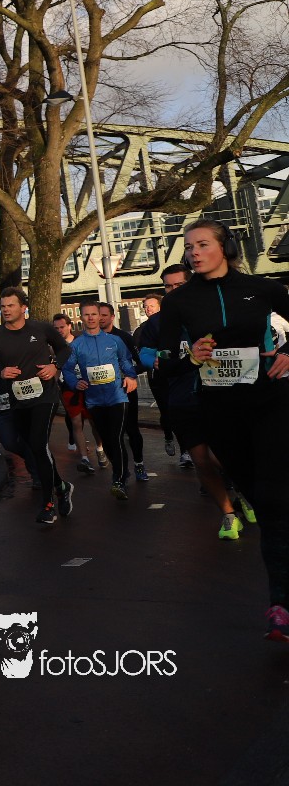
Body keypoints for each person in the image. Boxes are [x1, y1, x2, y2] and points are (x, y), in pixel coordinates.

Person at [157, 220, 289, 640]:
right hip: (219, 413)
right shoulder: (179, 302)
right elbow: (161, 359)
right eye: (188, 247)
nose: (194, 252)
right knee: (262, 501)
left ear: (225, 247)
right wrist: (190, 356)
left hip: (269, 404)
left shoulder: (261, 288)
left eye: (202, 244)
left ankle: (280, 604)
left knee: (273, 500)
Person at [139, 263, 251, 539]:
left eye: (179, 285)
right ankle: (228, 514)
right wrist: (153, 360)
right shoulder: (157, 323)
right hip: (181, 399)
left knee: (221, 454)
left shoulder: (210, 311)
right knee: (201, 461)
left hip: (217, 395)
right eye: (168, 286)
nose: (173, 290)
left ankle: (247, 493)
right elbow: (144, 352)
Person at [0, 289, 74, 525]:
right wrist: (0, 371)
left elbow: (65, 349)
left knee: (39, 444)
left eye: (11, 305)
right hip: (16, 400)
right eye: (3, 306)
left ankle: (48, 505)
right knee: (33, 447)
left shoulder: (41, 329)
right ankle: (61, 486)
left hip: (44, 396)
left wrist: (54, 366)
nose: (6, 310)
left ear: (23, 308)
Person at [63, 301, 139, 499]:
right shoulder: (76, 345)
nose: (91, 318)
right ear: (81, 317)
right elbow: (67, 369)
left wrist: (130, 376)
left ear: (99, 316)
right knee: (107, 439)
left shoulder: (114, 340)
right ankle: (122, 472)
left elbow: (125, 361)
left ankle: (118, 480)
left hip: (117, 396)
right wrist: (75, 383)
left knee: (116, 437)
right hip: (94, 400)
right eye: (86, 314)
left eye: (94, 314)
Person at [98, 302, 148, 481]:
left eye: (104, 315)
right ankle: (120, 470)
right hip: (101, 393)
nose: (100, 318)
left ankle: (139, 464)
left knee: (131, 429)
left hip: (125, 390)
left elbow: (141, 362)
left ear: (112, 317)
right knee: (108, 434)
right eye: (98, 314)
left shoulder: (123, 337)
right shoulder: (89, 339)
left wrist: (129, 375)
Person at [133, 294, 180, 460]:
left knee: (180, 410)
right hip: (156, 377)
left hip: (177, 375)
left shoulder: (172, 323)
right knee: (165, 410)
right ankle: (168, 436)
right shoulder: (140, 331)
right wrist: (135, 370)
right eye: (145, 306)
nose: (148, 309)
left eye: (151, 305)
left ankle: (185, 450)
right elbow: (140, 356)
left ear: (160, 306)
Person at [51, 313, 95, 469]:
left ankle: (100, 448)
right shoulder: (53, 348)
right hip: (67, 387)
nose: (59, 331)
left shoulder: (80, 342)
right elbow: (54, 368)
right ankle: (83, 455)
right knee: (75, 419)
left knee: (93, 420)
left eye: (62, 327)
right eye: (56, 328)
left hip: (86, 386)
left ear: (69, 326)